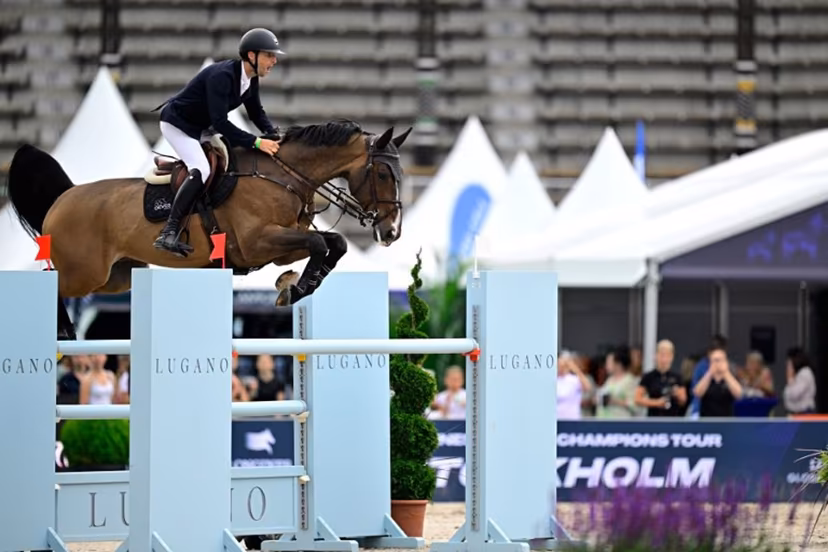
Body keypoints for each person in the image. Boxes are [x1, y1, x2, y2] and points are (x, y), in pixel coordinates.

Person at [152, 28, 286, 257]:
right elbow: (221, 122)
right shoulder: (222, 76)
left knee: (233, 160)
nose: (274, 61)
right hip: (178, 125)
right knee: (202, 169)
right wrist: (256, 143)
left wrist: (273, 134)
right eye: (269, 55)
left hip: (202, 127)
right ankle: (169, 231)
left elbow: (256, 112)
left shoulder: (249, 79)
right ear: (251, 56)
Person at [635, 339, 687, 417]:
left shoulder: (677, 377)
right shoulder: (648, 377)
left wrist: (676, 393)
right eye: (661, 355)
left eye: (667, 355)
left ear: (672, 357)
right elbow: (637, 399)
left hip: (672, 417)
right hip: (654, 417)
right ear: (656, 355)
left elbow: (683, 400)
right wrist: (657, 403)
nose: (664, 359)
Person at [693, 345, 743, 417]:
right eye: (715, 360)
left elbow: (739, 394)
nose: (718, 363)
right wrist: (710, 373)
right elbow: (697, 393)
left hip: (726, 420)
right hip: (706, 419)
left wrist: (726, 372)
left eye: (721, 360)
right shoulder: (705, 376)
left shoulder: (731, 377)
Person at [783, 346, 817, 415]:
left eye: (789, 362)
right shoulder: (798, 375)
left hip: (804, 414)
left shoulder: (805, 373)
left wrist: (790, 378)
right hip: (796, 414)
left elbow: (794, 395)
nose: (787, 365)